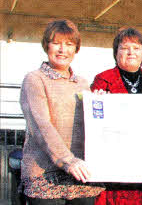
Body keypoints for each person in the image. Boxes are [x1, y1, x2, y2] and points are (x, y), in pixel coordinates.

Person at [20, 19, 105, 205]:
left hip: (79, 175)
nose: (62, 50)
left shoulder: (82, 83)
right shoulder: (34, 80)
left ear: (76, 48)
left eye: (69, 44)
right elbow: (41, 126)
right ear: (46, 46)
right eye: (56, 43)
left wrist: (99, 102)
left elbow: (92, 126)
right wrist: (68, 161)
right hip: (45, 175)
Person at [90, 27, 142, 205]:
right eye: (125, 47)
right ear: (116, 53)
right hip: (113, 171)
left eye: (137, 48)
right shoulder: (102, 80)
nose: (131, 52)